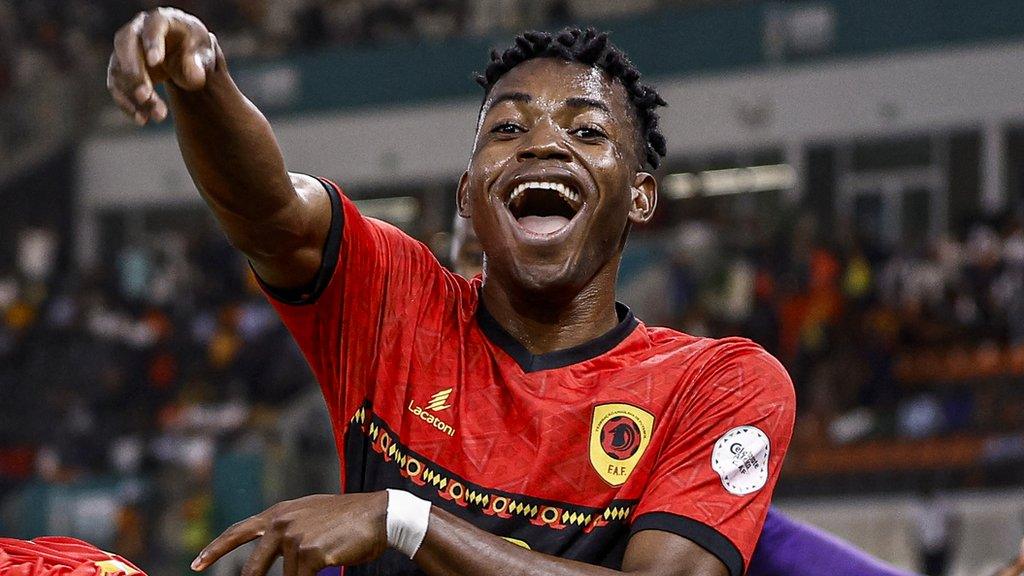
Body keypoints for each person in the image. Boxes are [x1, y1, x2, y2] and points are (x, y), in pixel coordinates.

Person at [108, 8, 794, 576]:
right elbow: (274, 215)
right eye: (508, 128)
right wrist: (204, 83)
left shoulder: (719, 383)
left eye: (586, 131)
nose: (543, 146)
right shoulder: (396, 304)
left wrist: (402, 521)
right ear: (468, 194)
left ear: (641, 197)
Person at [452, 216, 1024, 576]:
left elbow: (772, 541)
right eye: (475, 252)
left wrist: (408, 524)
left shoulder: (643, 402)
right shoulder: (405, 404)